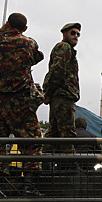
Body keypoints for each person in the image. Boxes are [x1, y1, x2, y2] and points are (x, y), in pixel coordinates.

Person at [0, 13, 44, 194]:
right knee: (31, 143)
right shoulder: (29, 43)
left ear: (7, 23)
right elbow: (37, 56)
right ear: (24, 29)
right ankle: (29, 186)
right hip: (21, 101)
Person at [43, 23, 81, 151]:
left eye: (78, 34)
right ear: (64, 33)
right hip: (63, 96)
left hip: (59, 96)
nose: (76, 36)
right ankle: (69, 168)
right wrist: (48, 92)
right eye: (73, 33)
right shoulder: (64, 47)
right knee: (67, 135)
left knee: (53, 133)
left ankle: (44, 165)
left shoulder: (65, 48)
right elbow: (57, 71)